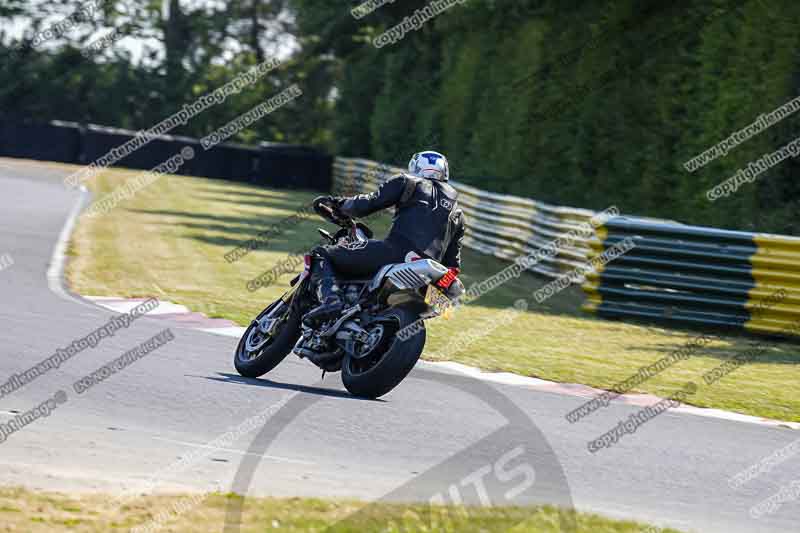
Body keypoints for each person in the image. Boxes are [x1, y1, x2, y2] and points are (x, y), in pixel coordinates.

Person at [305, 150, 465, 325]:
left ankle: (331, 301)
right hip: (429, 278)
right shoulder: (458, 213)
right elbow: (452, 267)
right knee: (448, 306)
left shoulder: (407, 181)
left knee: (320, 254)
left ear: (415, 167)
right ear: (445, 172)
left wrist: (337, 204)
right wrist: (442, 287)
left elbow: (366, 204)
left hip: (394, 253)